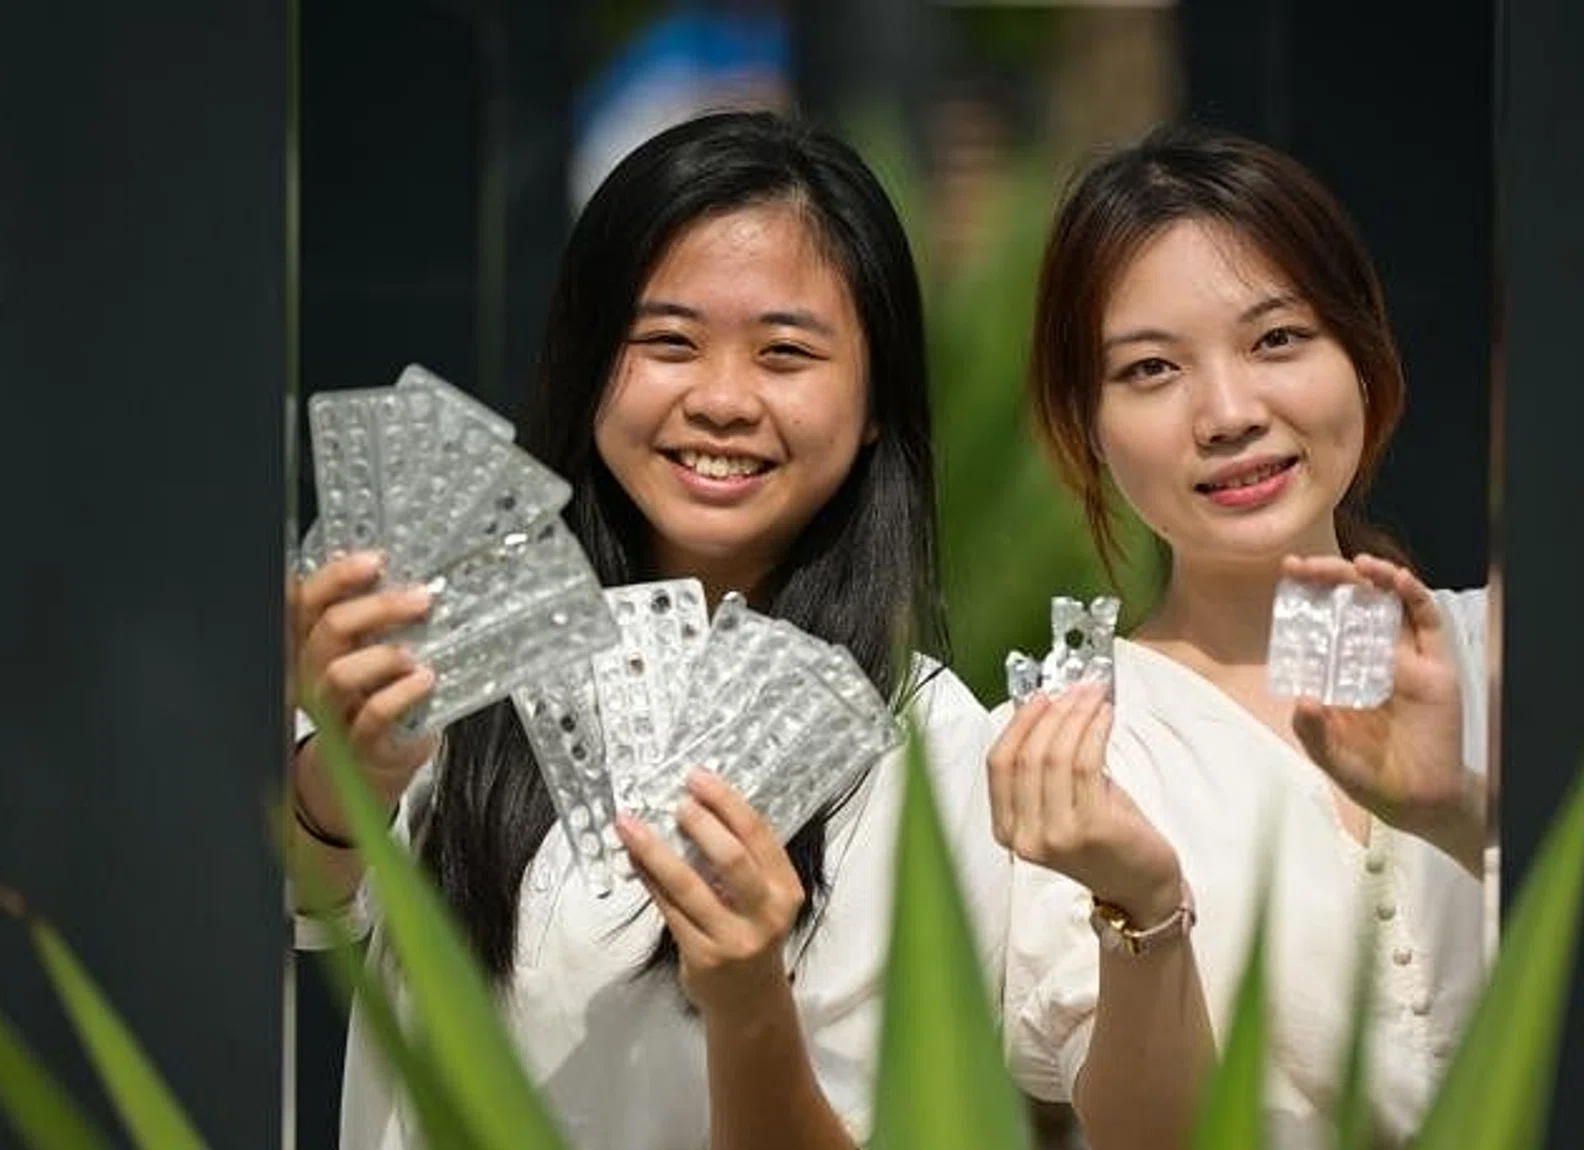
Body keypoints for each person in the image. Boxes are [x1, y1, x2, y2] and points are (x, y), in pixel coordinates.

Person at [287, 111, 1007, 1150]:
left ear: (878, 401)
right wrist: (338, 778)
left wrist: (749, 997)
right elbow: (314, 900)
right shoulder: (457, 641)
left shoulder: (931, 747)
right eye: (667, 341)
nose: (721, 399)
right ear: (588, 369)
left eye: (785, 353)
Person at [991, 125, 1490, 1149]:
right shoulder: (1071, 754)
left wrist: (1462, 816)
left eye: (1277, 340)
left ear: (1362, 351)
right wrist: (1143, 902)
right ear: (1085, 422)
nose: (1227, 413)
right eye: (1149, 370)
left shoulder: (1518, 649)